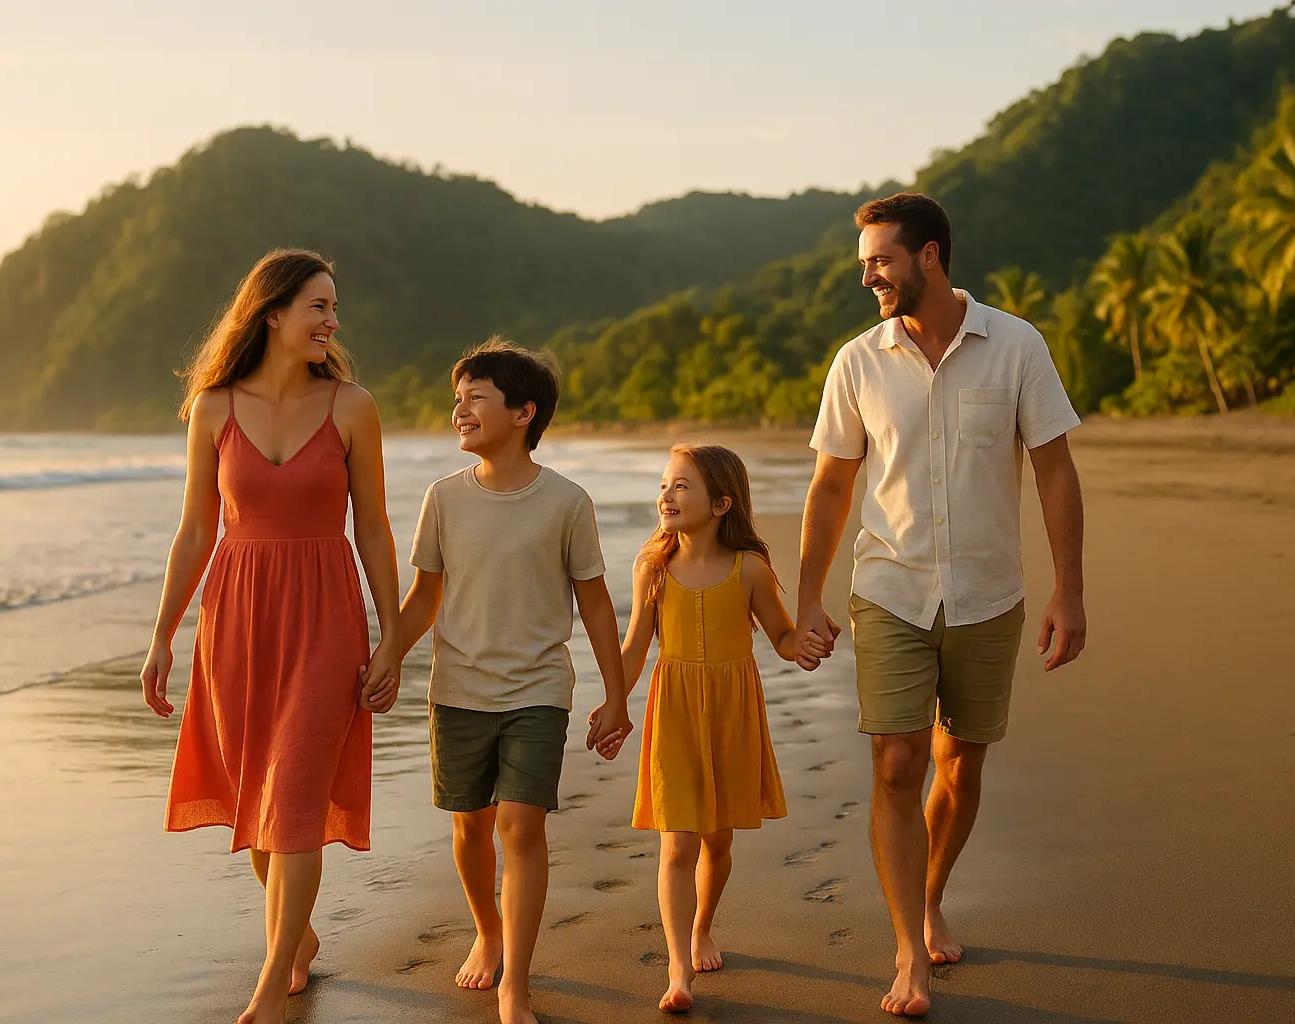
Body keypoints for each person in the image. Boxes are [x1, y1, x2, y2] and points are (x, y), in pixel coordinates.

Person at [796, 193, 1087, 1017]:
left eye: (880, 261)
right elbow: (832, 484)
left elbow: (1055, 471)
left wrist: (1070, 589)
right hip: (888, 587)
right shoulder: (857, 362)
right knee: (897, 763)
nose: (869, 278)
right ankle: (906, 954)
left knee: (960, 764)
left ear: (929, 256)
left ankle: (929, 896)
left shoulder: (1017, 345)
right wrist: (807, 596)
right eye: (864, 265)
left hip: (989, 595)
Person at [139, 249, 403, 1024]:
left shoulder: (354, 407)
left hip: (325, 616)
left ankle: (269, 975)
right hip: (238, 618)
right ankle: (301, 938)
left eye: (334, 307)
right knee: (259, 797)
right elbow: (194, 531)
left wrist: (391, 638)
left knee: (292, 798)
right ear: (273, 314)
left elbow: (377, 531)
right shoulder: (214, 408)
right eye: (319, 305)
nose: (332, 320)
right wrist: (162, 635)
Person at [397, 338, 632, 1024]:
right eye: (457, 398)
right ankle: (488, 930)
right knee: (470, 826)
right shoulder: (442, 498)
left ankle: (516, 984)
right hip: (457, 689)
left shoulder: (567, 501)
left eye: (477, 398)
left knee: (520, 826)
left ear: (524, 412)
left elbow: (594, 602)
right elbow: (423, 598)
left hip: (537, 690)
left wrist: (616, 695)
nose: (459, 410)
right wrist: (386, 657)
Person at [616, 443, 826, 1013]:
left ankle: (703, 923)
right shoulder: (652, 567)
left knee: (719, 839)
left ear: (721, 503)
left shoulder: (749, 568)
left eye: (682, 486)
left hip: (732, 713)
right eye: (665, 484)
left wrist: (802, 646)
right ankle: (678, 965)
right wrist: (616, 702)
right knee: (677, 842)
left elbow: (781, 637)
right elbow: (635, 645)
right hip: (675, 712)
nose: (667, 494)